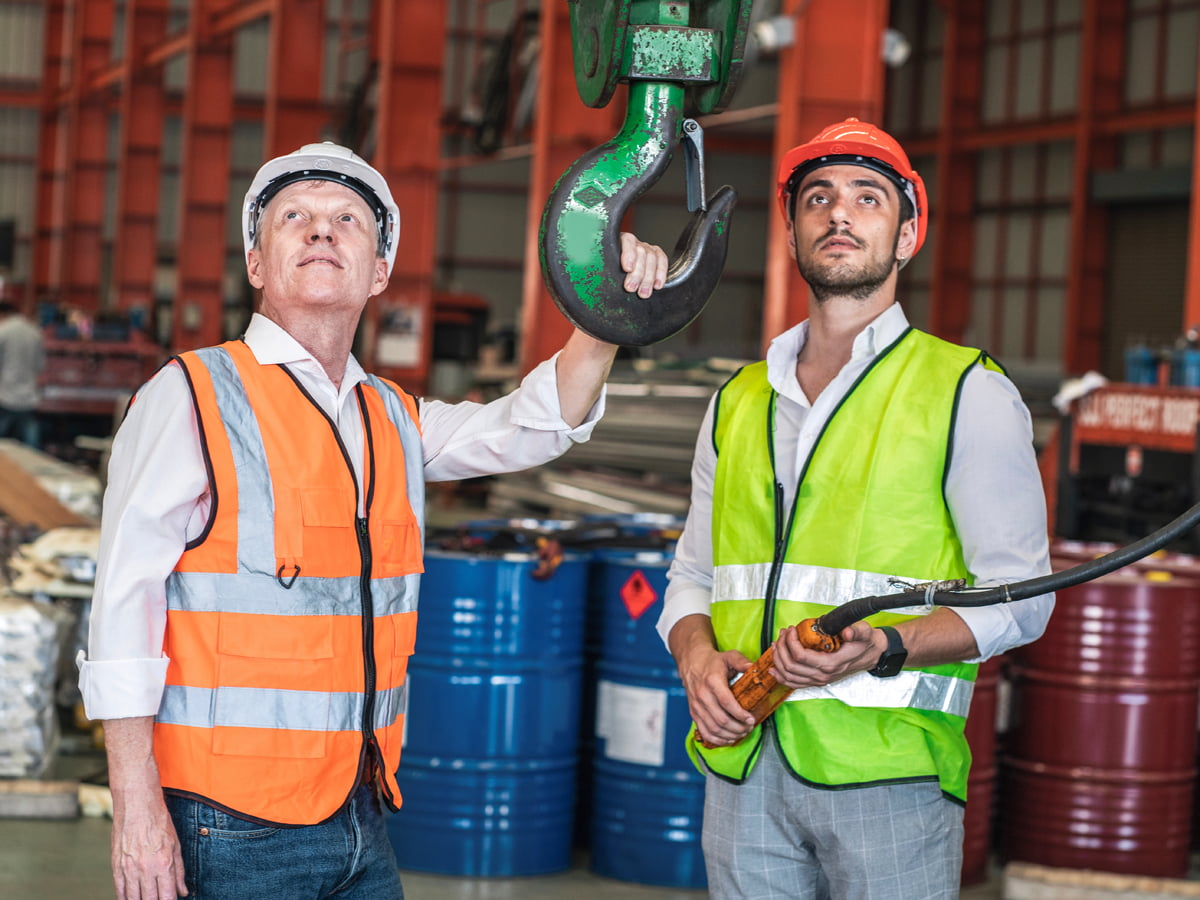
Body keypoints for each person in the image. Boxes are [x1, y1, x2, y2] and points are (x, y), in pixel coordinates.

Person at [77, 141, 668, 900]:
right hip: (225, 823)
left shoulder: (389, 416)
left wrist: (604, 313)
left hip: (362, 811)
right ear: (257, 264)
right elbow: (121, 607)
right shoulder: (190, 395)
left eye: (348, 220)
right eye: (295, 217)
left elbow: (531, 425)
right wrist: (135, 806)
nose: (322, 231)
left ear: (379, 272)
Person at [656, 118, 1055, 900]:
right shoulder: (738, 401)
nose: (840, 214)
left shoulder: (966, 393)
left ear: (908, 234)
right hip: (741, 761)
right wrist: (696, 659)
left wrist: (884, 645)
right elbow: (692, 573)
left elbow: (1021, 601)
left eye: (868, 198)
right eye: (818, 198)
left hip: (888, 771)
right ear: (794, 230)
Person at [0, 299, 46, 447]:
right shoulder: (34, 331)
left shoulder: (3, 331)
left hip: (5, 391)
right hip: (28, 392)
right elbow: (40, 365)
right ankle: (35, 463)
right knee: (30, 434)